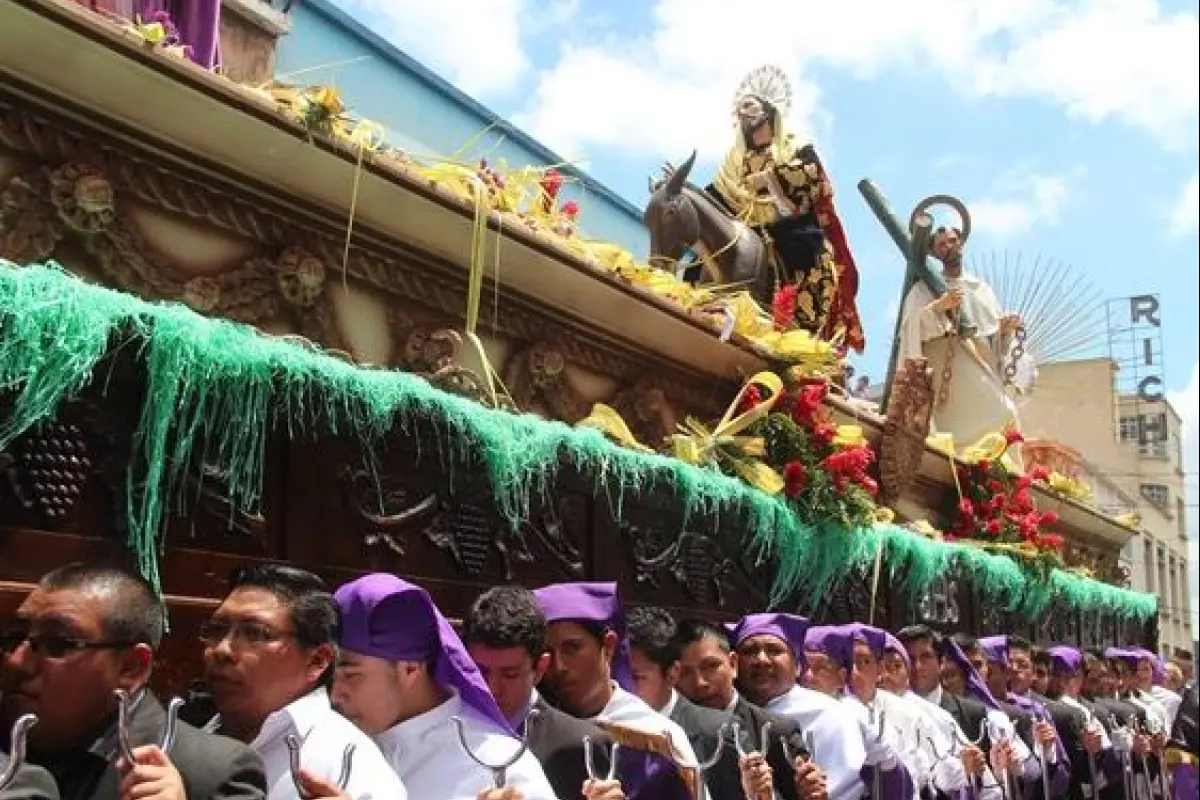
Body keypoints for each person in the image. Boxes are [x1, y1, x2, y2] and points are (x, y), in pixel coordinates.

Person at [0, 562, 266, 800]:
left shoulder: (212, 772)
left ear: (131, 667)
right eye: (13, 637)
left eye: (58, 644)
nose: (16, 662)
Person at [331, 574, 555, 800]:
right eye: (332, 676)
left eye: (351, 675)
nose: (336, 694)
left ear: (410, 669)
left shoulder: (497, 763)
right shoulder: (330, 747)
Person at [199, 564, 402, 799]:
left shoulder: (352, 765)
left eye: (255, 633)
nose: (222, 649)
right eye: (216, 629)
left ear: (317, 660)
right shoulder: (178, 740)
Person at [708, 64, 864, 351]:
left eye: (750, 106)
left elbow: (812, 173)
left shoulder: (793, 146)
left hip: (788, 226)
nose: (743, 112)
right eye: (740, 109)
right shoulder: (734, 159)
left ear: (767, 110)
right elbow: (717, 194)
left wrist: (769, 179)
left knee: (808, 251)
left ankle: (802, 332)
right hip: (747, 225)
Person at [532, 582, 696, 800]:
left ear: (608, 646)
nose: (559, 665)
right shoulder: (528, 730)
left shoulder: (656, 739)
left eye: (572, 648)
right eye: (547, 652)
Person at [460, 584, 623, 800]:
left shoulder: (581, 748)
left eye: (510, 675)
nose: (492, 688)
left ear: (540, 669)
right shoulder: (442, 735)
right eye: (480, 672)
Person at [894, 223, 1028, 450]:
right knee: (998, 413)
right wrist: (938, 307)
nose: (949, 247)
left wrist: (1004, 331)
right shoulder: (923, 289)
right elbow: (910, 328)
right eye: (941, 245)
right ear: (934, 253)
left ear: (962, 242)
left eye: (952, 241)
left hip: (975, 364)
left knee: (1006, 414)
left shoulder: (980, 289)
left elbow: (991, 345)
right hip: (944, 365)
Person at [626, 607, 775, 800]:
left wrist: (758, 793)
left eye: (635, 677)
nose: (621, 686)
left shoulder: (720, 732)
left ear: (672, 674)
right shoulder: (599, 726)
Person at [672, 618, 827, 800]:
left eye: (711, 666)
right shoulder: (669, 731)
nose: (700, 683)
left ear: (733, 664)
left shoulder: (775, 733)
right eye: (685, 673)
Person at [801, 626, 915, 799]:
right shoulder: (784, 710)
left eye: (820, 668)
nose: (808, 676)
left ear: (841, 677)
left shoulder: (854, 716)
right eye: (804, 667)